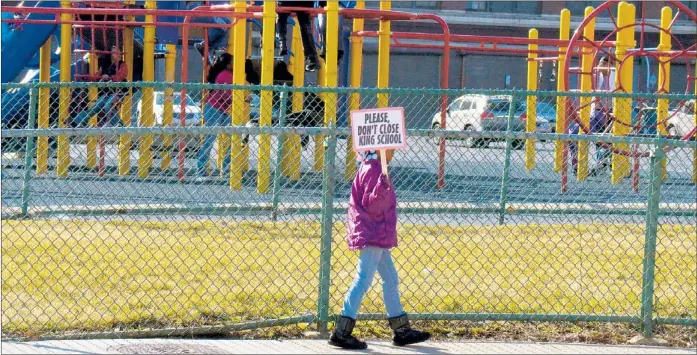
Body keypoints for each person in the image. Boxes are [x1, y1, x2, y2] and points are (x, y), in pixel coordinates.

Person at [329, 150, 430, 350]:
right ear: (381, 150)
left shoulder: (371, 167)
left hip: (377, 232)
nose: (393, 151)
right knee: (363, 279)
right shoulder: (374, 169)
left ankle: (401, 331)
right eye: (391, 148)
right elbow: (373, 205)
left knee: (390, 278)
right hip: (373, 231)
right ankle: (342, 331)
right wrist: (383, 188)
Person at [72, 46, 128, 127]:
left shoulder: (122, 64)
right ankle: (77, 122)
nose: (116, 54)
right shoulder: (106, 65)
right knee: (95, 107)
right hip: (107, 92)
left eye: (117, 52)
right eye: (113, 52)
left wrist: (109, 77)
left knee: (108, 105)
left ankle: (119, 124)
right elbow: (98, 75)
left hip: (118, 91)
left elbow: (121, 76)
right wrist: (86, 77)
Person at [589, 55, 615, 177]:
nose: (600, 66)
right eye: (599, 63)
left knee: (609, 140)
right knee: (598, 138)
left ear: (610, 66)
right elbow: (591, 88)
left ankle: (606, 163)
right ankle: (602, 162)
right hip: (597, 111)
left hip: (610, 112)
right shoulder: (596, 77)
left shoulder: (614, 77)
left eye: (603, 64)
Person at [277, 1, 321, 71]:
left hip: (286, 3)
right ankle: (312, 57)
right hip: (305, 3)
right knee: (304, 23)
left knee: (280, 14)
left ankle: (282, 42)